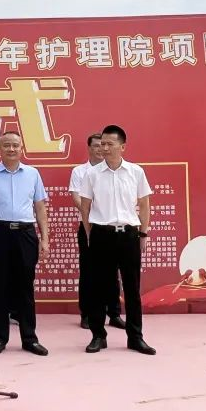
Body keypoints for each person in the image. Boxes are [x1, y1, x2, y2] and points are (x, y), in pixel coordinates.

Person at [79, 124, 157, 356]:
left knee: (132, 289)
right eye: (102, 144)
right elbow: (85, 207)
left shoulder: (136, 172)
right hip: (101, 234)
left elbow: (144, 205)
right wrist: (90, 234)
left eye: (110, 144)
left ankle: (135, 337)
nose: (104, 148)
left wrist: (143, 233)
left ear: (122, 147)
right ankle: (98, 336)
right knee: (98, 287)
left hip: (129, 235)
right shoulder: (92, 174)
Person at [0, 131, 50, 356]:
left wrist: (44, 238)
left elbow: (40, 208)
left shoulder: (32, 174)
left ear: (21, 148)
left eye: (15, 145)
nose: (11, 149)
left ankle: (29, 338)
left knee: (25, 287)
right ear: (0, 149)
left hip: (25, 234)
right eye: (6, 145)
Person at [69, 133, 124, 330]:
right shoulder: (80, 171)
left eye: (104, 145)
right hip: (89, 227)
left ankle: (114, 313)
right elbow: (77, 198)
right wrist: (92, 214)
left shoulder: (115, 170)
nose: (101, 149)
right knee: (89, 272)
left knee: (113, 271)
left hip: (111, 228)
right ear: (89, 148)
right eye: (97, 146)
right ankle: (87, 314)